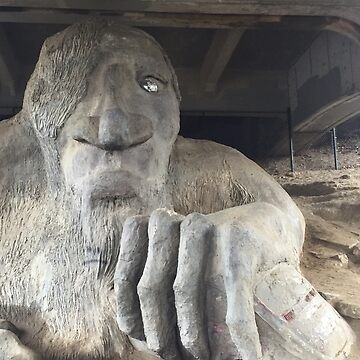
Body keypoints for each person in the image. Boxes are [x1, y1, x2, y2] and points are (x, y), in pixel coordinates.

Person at [0, 21, 354, 360]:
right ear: (34, 117)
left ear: (176, 107)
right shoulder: (10, 167)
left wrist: (256, 229)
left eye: (150, 85)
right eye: (71, 87)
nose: (112, 130)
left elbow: (283, 213)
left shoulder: (207, 165)